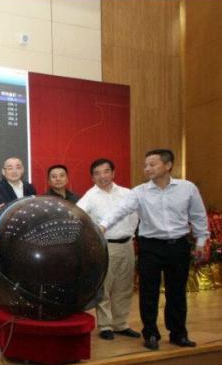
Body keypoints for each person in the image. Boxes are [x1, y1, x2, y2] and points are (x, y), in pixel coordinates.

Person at [99, 149, 208, 351]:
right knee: (148, 292)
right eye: (145, 165)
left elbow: (198, 216)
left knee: (177, 292)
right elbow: (120, 210)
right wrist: (103, 226)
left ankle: (178, 334)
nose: (147, 168)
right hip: (151, 247)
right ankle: (150, 333)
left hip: (178, 246)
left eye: (152, 164)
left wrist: (201, 241)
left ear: (168, 165)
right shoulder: (139, 192)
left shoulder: (187, 188)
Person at [76, 158, 140, 341]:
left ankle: (121, 324)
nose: (102, 176)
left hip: (127, 245)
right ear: (92, 177)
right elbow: (78, 216)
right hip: (106, 246)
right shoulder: (90, 196)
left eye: (106, 172)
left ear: (113, 173)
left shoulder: (127, 193)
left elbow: (135, 217)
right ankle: (105, 325)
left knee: (124, 287)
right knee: (104, 287)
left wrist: (129, 234)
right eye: (97, 173)